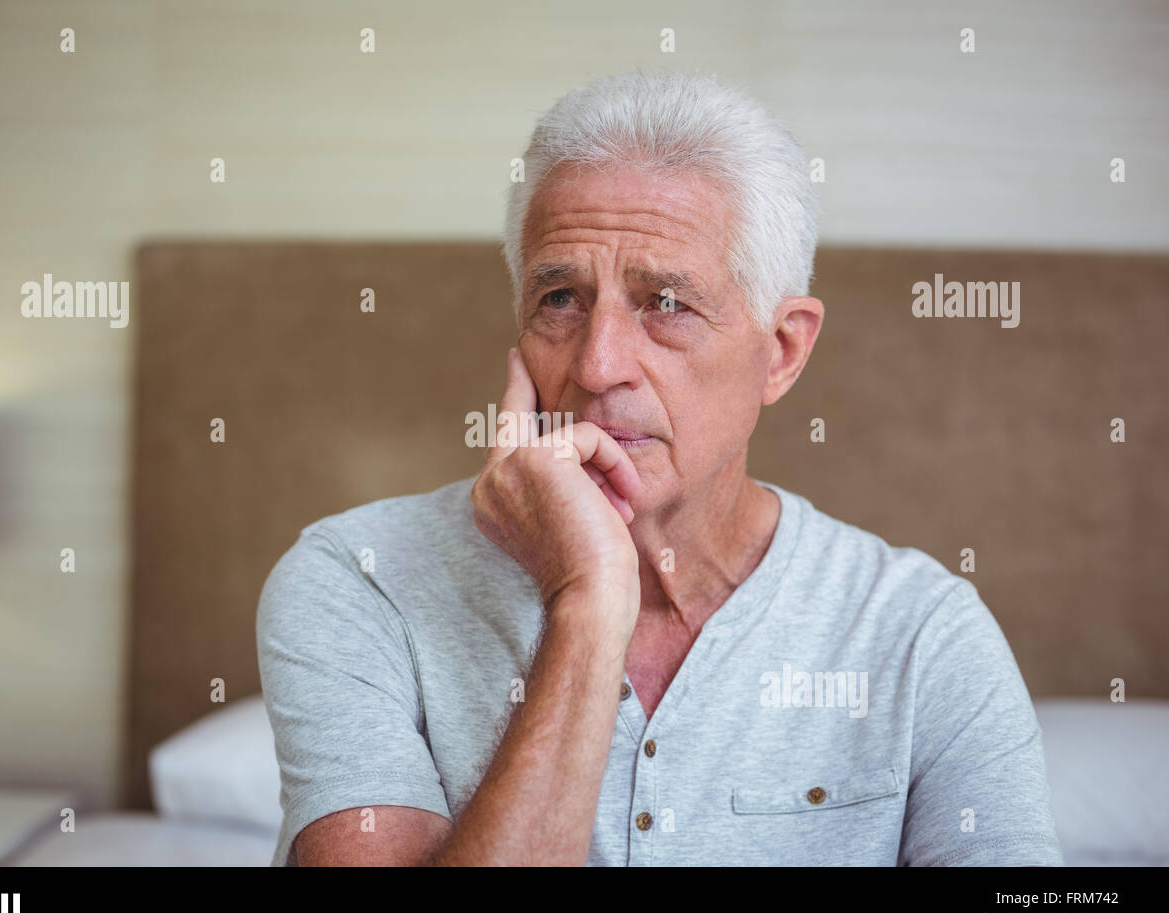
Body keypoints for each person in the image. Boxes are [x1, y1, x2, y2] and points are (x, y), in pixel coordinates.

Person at [256, 68, 1064, 866]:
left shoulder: (920, 632)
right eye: (562, 298)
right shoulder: (359, 578)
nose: (600, 365)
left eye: (667, 304)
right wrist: (587, 600)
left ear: (780, 353)